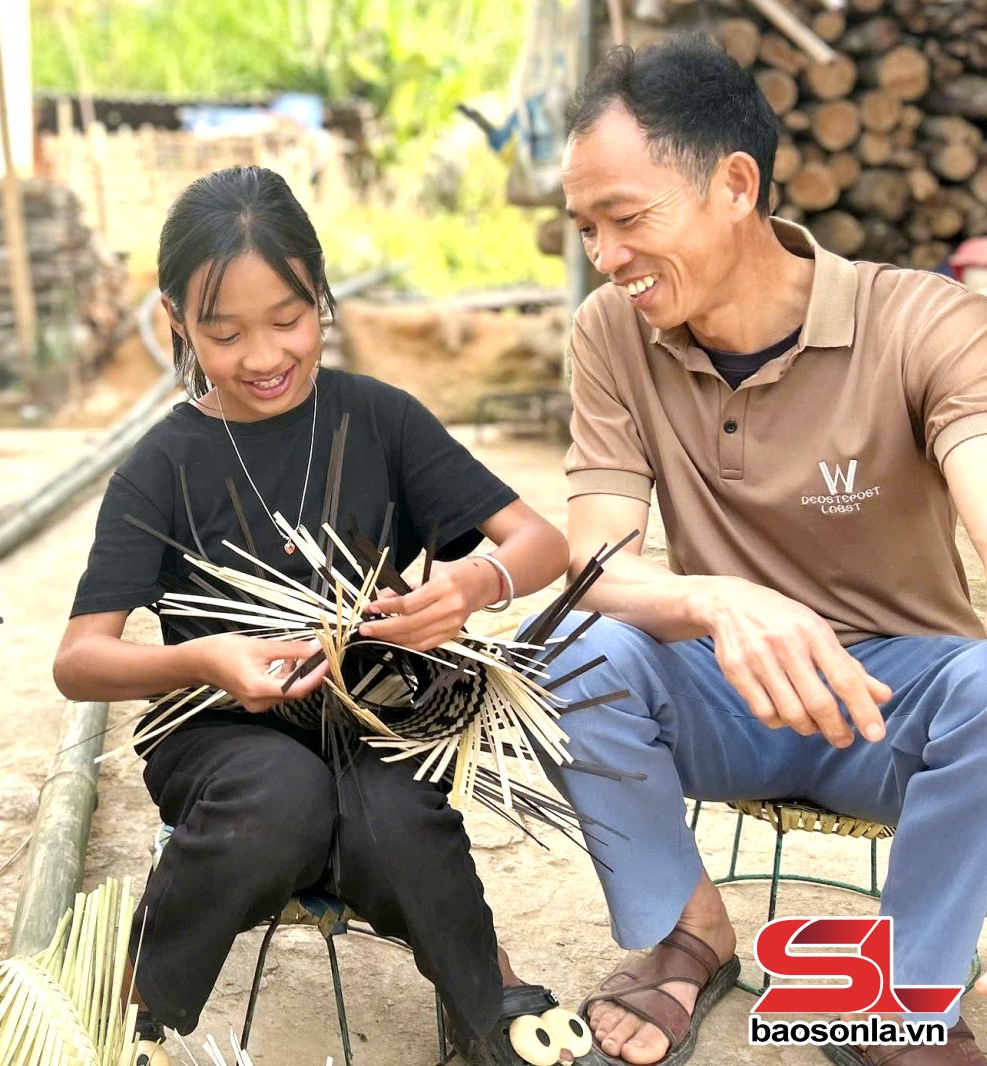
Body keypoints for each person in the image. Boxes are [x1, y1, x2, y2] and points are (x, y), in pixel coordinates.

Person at [54, 165, 594, 1065]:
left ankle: (485, 1005)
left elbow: (540, 542)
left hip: (374, 721)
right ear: (176, 322)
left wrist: (469, 586)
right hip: (219, 736)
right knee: (280, 798)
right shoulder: (164, 464)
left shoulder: (380, 421)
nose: (264, 357)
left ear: (321, 293)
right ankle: (133, 1008)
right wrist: (209, 659)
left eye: (289, 320)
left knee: (398, 819)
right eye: (224, 334)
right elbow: (80, 659)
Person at [542, 33, 987, 1066]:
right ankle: (684, 932)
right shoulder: (609, 333)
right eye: (587, 228)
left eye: (627, 219)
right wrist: (717, 603)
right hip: (719, 690)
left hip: (895, 710)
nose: (605, 255)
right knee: (563, 651)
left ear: (734, 185)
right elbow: (596, 562)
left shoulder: (920, 318)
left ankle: (897, 996)